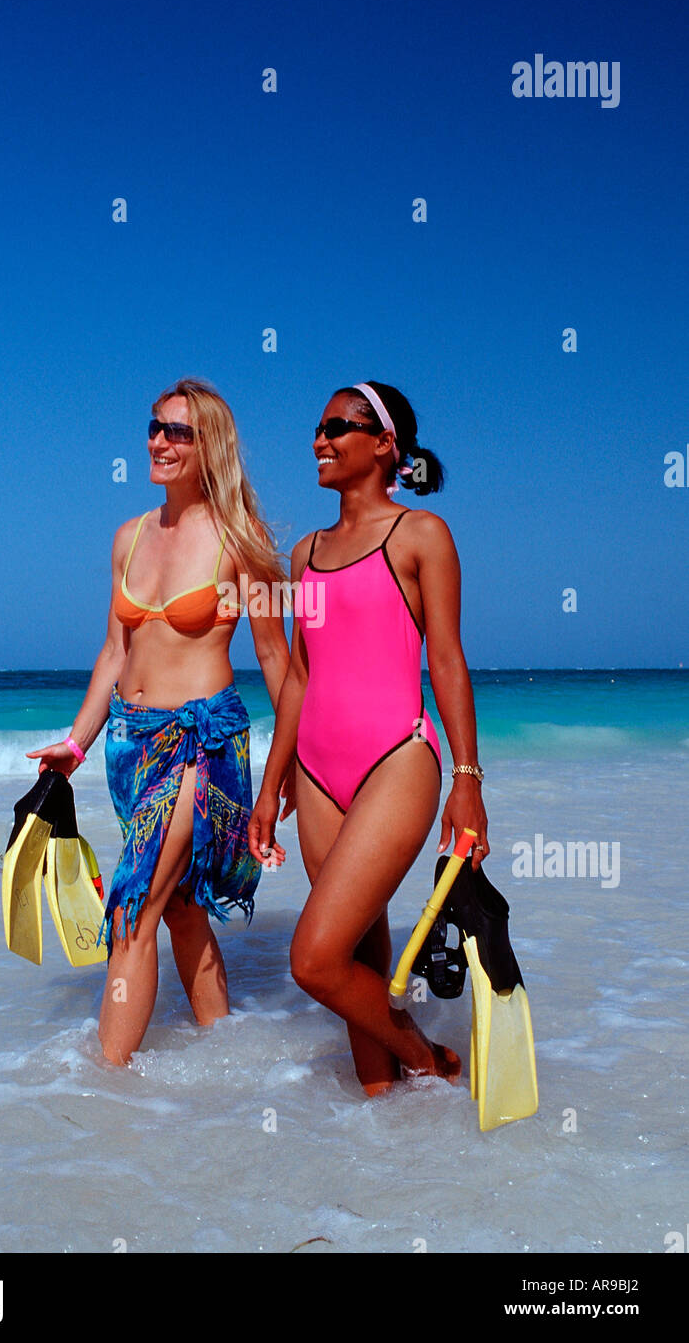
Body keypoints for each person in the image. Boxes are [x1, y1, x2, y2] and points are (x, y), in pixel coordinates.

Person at [28, 378, 291, 1065]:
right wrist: (74, 744)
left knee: (133, 908)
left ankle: (102, 1091)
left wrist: (290, 768)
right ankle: (226, 1054)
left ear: (210, 448)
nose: (159, 442)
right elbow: (114, 651)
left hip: (200, 741)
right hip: (127, 744)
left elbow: (275, 660)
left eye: (178, 432)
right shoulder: (129, 536)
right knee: (179, 906)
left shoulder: (243, 541)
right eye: (154, 427)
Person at [249, 381, 489, 1097]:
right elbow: (298, 676)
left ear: (385, 445)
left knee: (313, 961)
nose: (319, 440)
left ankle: (431, 1061)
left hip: (396, 757)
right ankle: (382, 1120)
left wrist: (468, 779)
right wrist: (272, 785)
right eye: (317, 428)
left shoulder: (419, 534)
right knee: (356, 950)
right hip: (317, 771)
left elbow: (445, 658)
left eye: (336, 428)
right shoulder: (304, 554)